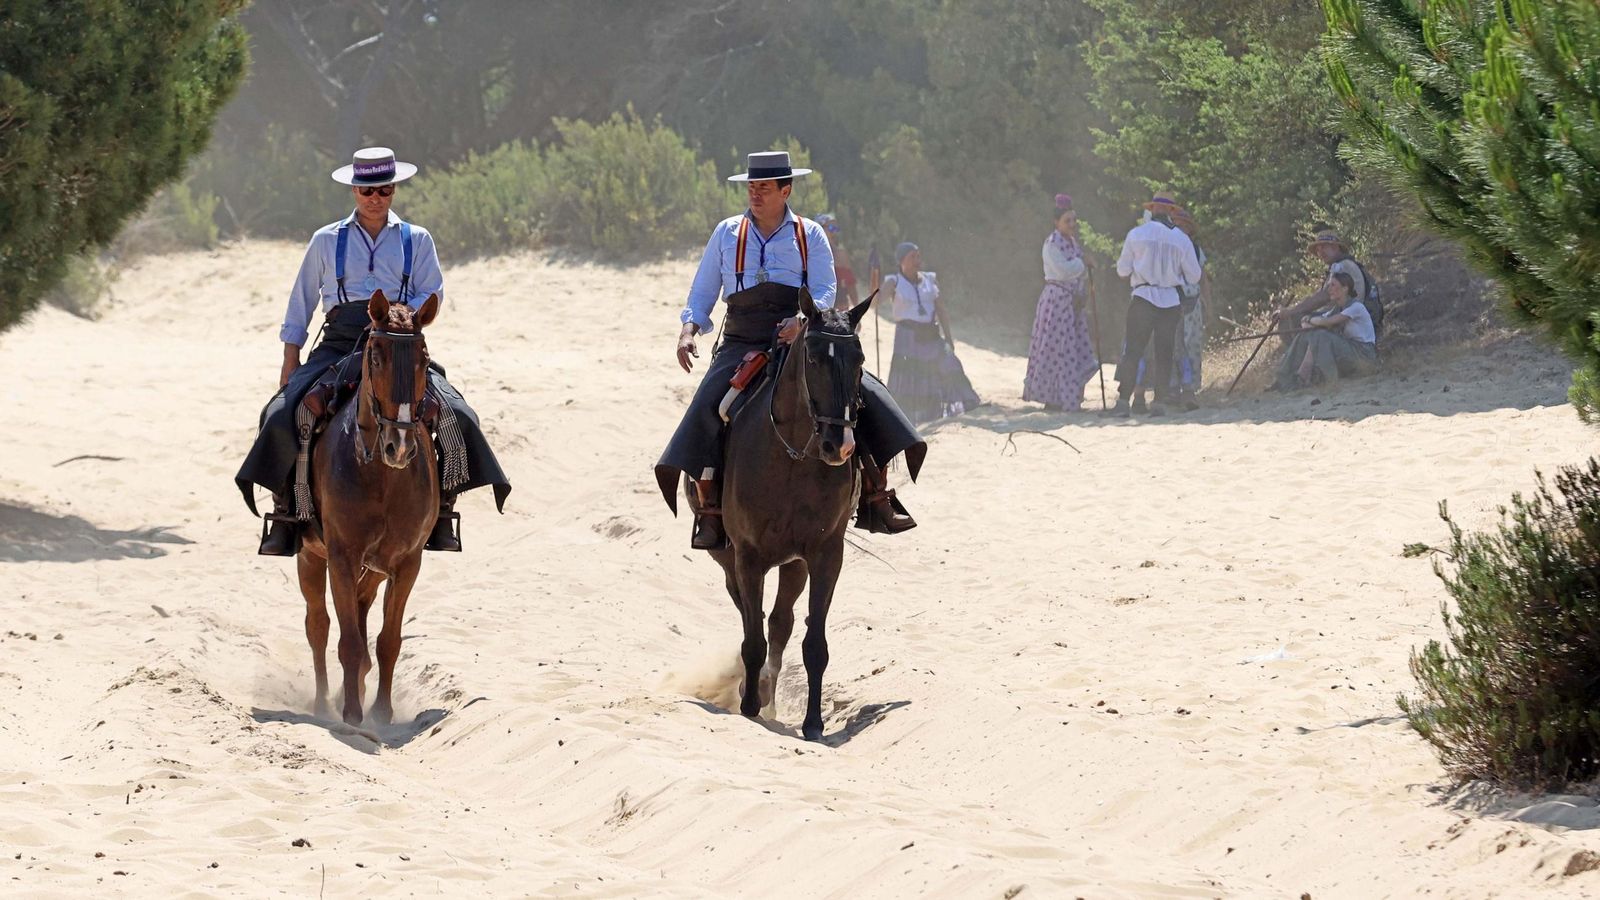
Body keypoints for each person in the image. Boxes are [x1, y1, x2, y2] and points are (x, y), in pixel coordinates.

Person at [235, 147, 511, 556]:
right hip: (339, 342)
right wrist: (290, 355)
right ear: (354, 190)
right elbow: (302, 299)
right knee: (282, 412)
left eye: (384, 189)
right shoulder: (325, 240)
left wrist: (399, 317)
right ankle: (287, 514)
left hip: (397, 341)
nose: (375, 198)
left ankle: (441, 514)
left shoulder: (416, 239)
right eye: (367, 190)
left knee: (456, 414)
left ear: (394, 190)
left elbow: (431, 290)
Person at [656, 151, 927, 550]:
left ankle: (876, 492)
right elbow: (703, 289)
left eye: (764, 187)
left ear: (786, 190)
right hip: (742, 337)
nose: (755, 194)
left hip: (799, 336)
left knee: (859, 392)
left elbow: (823, 288)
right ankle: (710, 506)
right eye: (751, 187)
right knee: (710, 405)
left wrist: (802, 322)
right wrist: (688, 329)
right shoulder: (727, 232)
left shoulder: (809, 233)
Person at [1110, 192, 1202, 418]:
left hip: (1142, 296)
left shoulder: (1136, 234)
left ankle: (1124, 401)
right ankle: (1159, 402)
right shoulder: (1181, 240)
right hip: (1170, 300)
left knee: (1133, 350)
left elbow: (1122, 270)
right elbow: (1195, 275)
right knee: (1165, 353)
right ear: (1171, 212)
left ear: (1152, 209)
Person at [883, 241, 981, 424]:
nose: (917, 260)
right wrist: (875, 285)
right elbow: (876, 301)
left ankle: (966, 402)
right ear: (902, 260)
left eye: (918, 256)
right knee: (913, 376)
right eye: (913, 256)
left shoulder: (930, 279)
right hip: (908, 337)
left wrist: (949, 338)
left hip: (931, 334)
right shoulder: (894, 281)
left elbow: (941, 310)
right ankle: (910, 416)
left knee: (950, 363)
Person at [1023, 194, 1098, 411]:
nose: (1072, 225)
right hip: (1056, 302)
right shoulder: (1051, 244)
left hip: (1072, 303)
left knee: (1072, 347)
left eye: (1074, 220)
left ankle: (1069, 396)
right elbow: (1065, 271)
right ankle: (1053, 398)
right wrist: (1083, 262)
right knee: (1055, 349)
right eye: (1068, 221)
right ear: (1057, 223)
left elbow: (1077, 271)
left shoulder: (1072, 243)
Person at [1272, 270, 1377, 389]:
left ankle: (1326, 380)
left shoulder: (1356, 307)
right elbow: (1308, 324)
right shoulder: (1337, 308)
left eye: (1333, 285)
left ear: (1345, 288)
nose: (1329, 289)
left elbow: (1327, 322)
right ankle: (1284, 378)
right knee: (1305, 335)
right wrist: (1311, 322)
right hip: (1349, 351)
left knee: (1320, 335)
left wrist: (1311, 321)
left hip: (1363, 355)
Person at [1273, 230, 1368, 341]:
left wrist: (1291, 311)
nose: (1320, 252)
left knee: (1295, 318)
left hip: (1344, 319)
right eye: (1318, 250)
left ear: (1335, 247)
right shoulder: (1339, 266)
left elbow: (1323, 298)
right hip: (1340, 316)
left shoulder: (1342, 267)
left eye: (1323, 247)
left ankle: (1303, 355)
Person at [816, 213, 859, 309]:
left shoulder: (840, 255)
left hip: (838, 309)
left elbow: (850, 284)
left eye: (836, 229)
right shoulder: (807, 253)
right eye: (831, 228)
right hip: (816, 309)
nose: (834, 232)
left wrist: (857, 314)